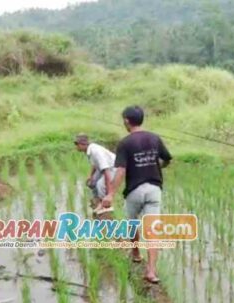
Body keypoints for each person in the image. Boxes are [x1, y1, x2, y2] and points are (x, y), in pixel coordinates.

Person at [102, 106, 172, 284]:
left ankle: (135, 253)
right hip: (154, 189)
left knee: (132, 223)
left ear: (126, 121)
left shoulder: (125, 143)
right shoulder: (155, 138)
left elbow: (120, 171)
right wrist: (157, 167)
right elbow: (167, 159)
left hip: (135, 190)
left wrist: (110, 194)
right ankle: (151, 271)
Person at [74, 134, 116, 219]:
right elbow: (95, 164)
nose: (76, 147)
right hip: (103, 168)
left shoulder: (96, 151)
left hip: (113, 167)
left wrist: (109, 193)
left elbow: (106, 170)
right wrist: (90, 176)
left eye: (77, 144)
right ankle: (97, 201)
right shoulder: (89, 150)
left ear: (83, 144)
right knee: (92, 183)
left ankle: (105, 205)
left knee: (100, 185)